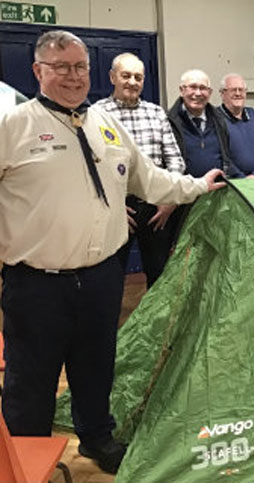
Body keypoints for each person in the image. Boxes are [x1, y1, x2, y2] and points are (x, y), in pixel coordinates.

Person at [0, 29, 225, 474]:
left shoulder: (106, 123)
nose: (73, 75)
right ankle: (25, 460)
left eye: (80, 66)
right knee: (31, 380)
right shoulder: (14, 127)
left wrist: (197, 186)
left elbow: (151, 179)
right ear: (37, 71)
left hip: (102, 277)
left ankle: (96, 438)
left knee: (95, 366)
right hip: (36, 284)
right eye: (61, 66)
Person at [93, 53, 186, 288]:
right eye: (126, 75)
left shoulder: (156, 113)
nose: (132, 82)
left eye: (138, 77)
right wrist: (110, 204)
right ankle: (109, 325)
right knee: (110, 277)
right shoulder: (96, 115)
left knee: (159, 275)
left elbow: (175, 160)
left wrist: (169, 201)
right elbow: (90, 167)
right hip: (116, 208)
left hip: (156, 207)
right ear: (112, 77)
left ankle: (157, 324)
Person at [168, 68, 243, 178]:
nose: (198, 93)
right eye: (193, 87)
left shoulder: (219, 120)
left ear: (210, 92)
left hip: (217, 190)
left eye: (203, 88)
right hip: (186, 191)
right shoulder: (169, 122)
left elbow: (226, 159)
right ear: (182, 90)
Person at [219, 73, 254, 178]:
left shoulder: (253, 114)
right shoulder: (216, 118)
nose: (238, 94)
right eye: (233, 90)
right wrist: (241, 178)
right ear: (222, 94)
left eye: (241, 90)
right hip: (231, 183)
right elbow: (220, 154)